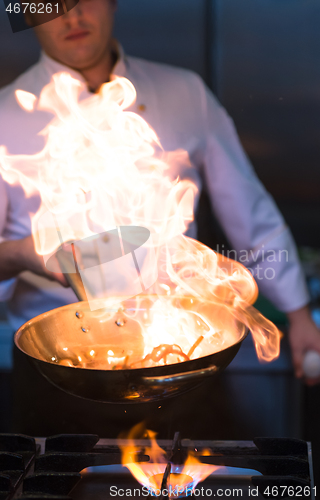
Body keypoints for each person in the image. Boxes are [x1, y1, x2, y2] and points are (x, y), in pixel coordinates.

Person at [0, 0, 320, 403]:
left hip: (182, 356)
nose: (72, 15)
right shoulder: (6, 115)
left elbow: (250, 212)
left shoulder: (184, 93)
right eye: (52, 2)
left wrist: (298, 312)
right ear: (28, 13)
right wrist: (24, 254)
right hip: (60, 372)